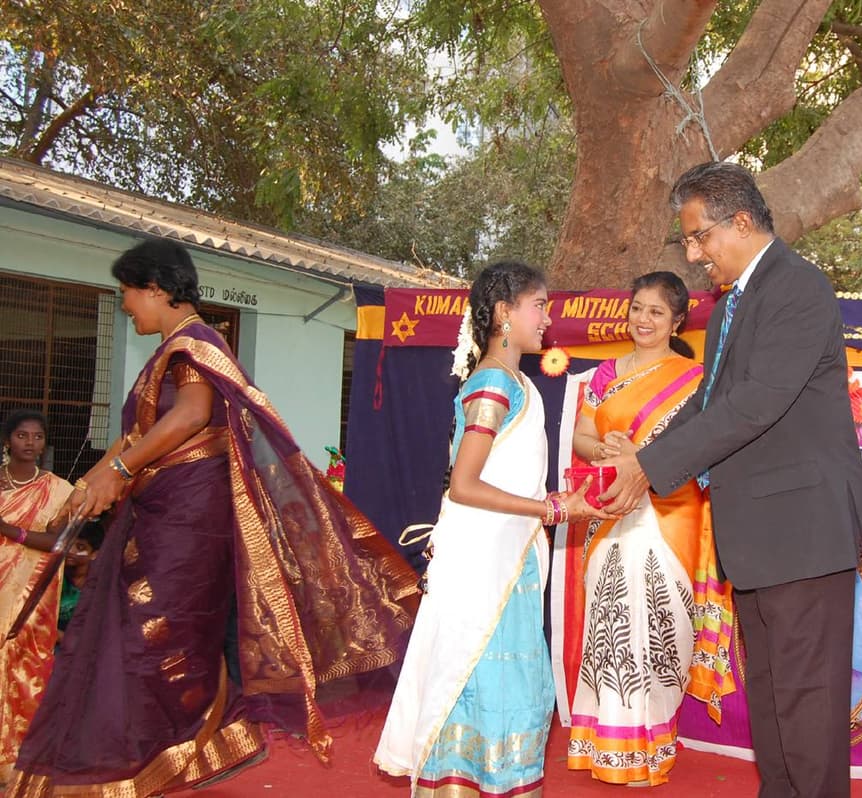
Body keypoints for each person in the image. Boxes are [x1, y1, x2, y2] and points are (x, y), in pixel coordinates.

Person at [8, 239, 421, 797]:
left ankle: (142, 762)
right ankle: (126, 761)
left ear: (156, 289)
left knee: (150, 640)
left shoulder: (197, 344)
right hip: (160, 513)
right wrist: (89, 483)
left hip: (187, 519)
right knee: (133, 638)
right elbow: (134, 437)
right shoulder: (170, 352)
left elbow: (193, 415)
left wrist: (120, 470)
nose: (126, 305)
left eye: (128, 292)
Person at [600, 162, 862, 798]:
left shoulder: (799, 288)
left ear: (742, 222)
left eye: (701, 238)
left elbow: (756, 402)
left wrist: (647, 468)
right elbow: (707, 405)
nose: (695, 256)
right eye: (689, 242)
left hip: (804, 535)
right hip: (756, 538)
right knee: (775, 704)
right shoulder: (727, 311)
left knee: (809, 711)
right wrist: (644, 460)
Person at [374, 260, 612, 797]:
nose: (547, 320)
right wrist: (553, 510)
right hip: (487, 566)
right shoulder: (493, 384)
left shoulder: (513, 381)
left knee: (505, 688)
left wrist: (554, 507)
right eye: (540, 305)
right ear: (505, 312)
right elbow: (464, 485)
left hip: (509, 561)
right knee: (479, 680)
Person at [565, 272, 736, 786]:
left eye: (656, 312)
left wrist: (645, 459)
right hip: (611, 506)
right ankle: (611, 746)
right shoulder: (603, 376)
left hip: (671, 509)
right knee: (612, 615)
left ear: (677, 320)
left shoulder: (697, 378)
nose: (643, 319)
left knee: (658, 623)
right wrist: (610, 453)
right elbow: (583, 435)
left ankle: (652, 742)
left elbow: (704, 444)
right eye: (637, 308)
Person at [0, 411, 75, 785]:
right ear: (7, 441)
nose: (30, 443)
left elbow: (59, 542)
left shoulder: (58, 489)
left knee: (25, 665)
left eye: (38, 437)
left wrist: (7, 529)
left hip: (32, 593)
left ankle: (20, 754)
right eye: (21, 435)